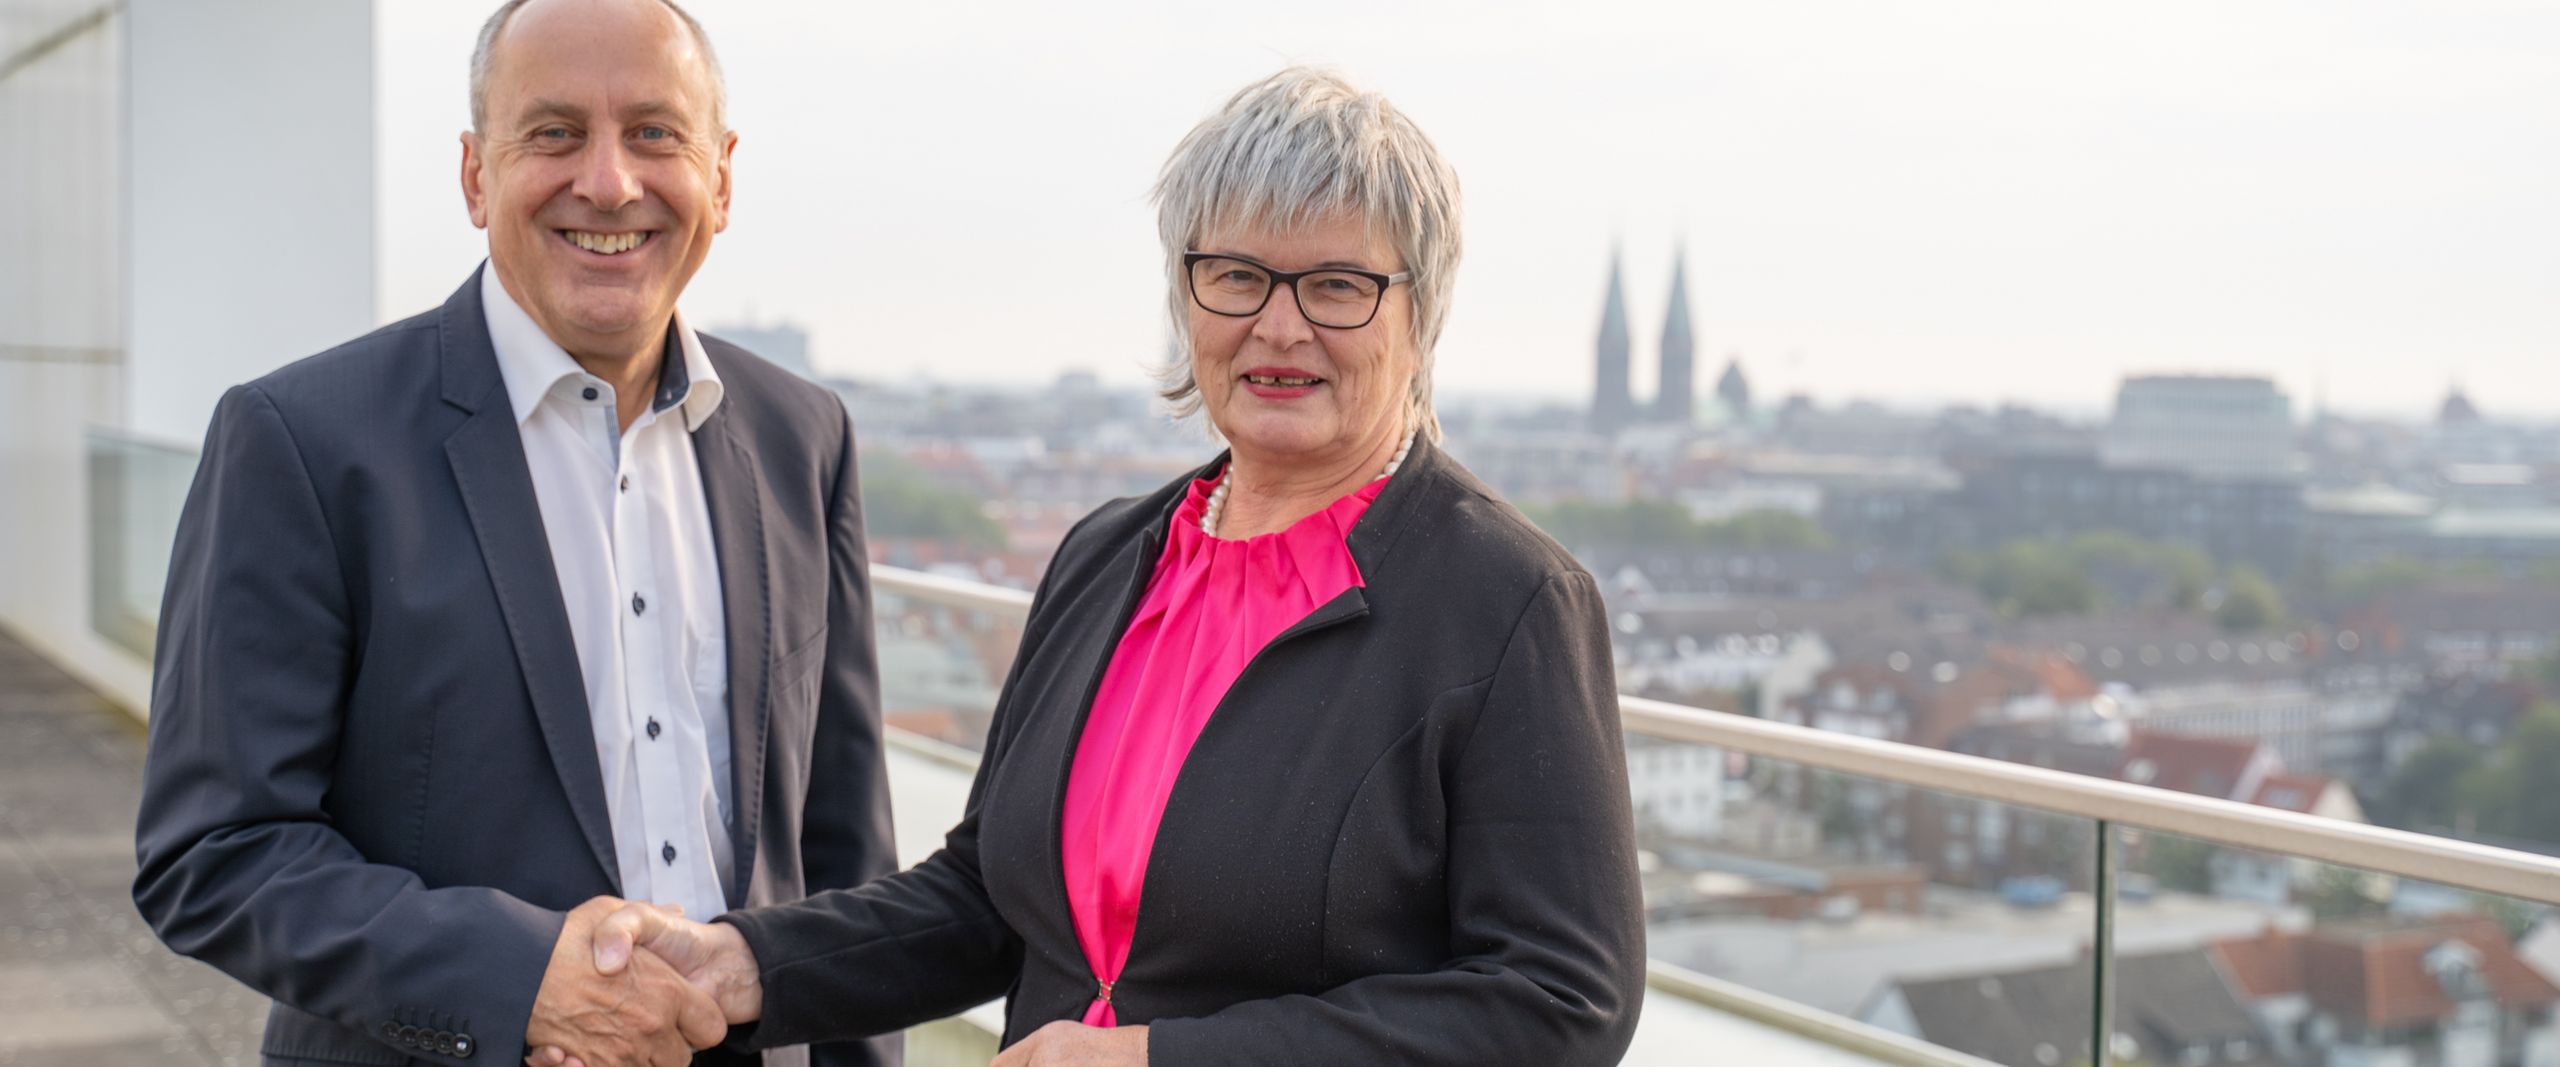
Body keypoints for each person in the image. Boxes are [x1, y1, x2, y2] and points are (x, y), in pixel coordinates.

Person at [539, 66, 1644, 1067]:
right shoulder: (1109, 555)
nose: (1278, 326)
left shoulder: (1510, 603)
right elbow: (986, 899)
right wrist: (740, 964)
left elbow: (1559, 1000)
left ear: (1420, 309)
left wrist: (1157, 1061)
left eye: (1337, 286)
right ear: (1185, 292)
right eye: (1236, 275)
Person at [130, 2, 898, 1065]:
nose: (609, 181)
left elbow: (845, 856)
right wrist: (517, 979)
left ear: (719, 175)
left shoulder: (802, 436)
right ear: (474, 176)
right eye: (552, 133)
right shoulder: (303, 441)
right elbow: (212, 851)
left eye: (653, 133)